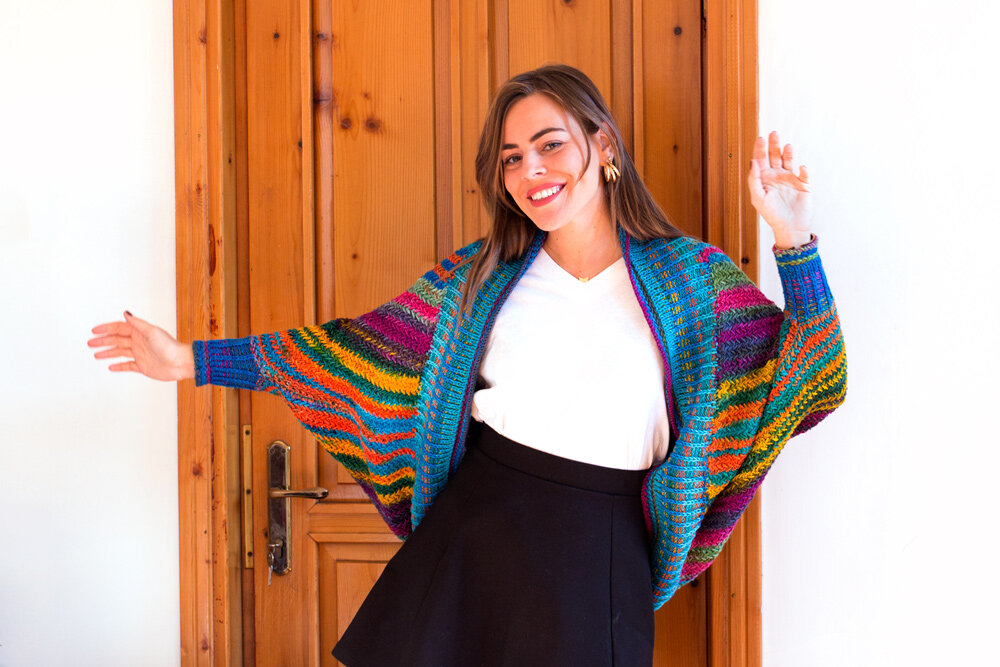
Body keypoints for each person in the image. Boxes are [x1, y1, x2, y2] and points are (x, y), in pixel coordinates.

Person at [89, 64, 846, 666]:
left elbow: (814, 378)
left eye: (551, 144)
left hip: (599, 558)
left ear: (604, 146)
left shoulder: (694, 282)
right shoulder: (481, 282)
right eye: (513, 157)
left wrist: (793, 240)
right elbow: (350, 354)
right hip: (470, 542)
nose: (531, 170)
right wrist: (191, 359)